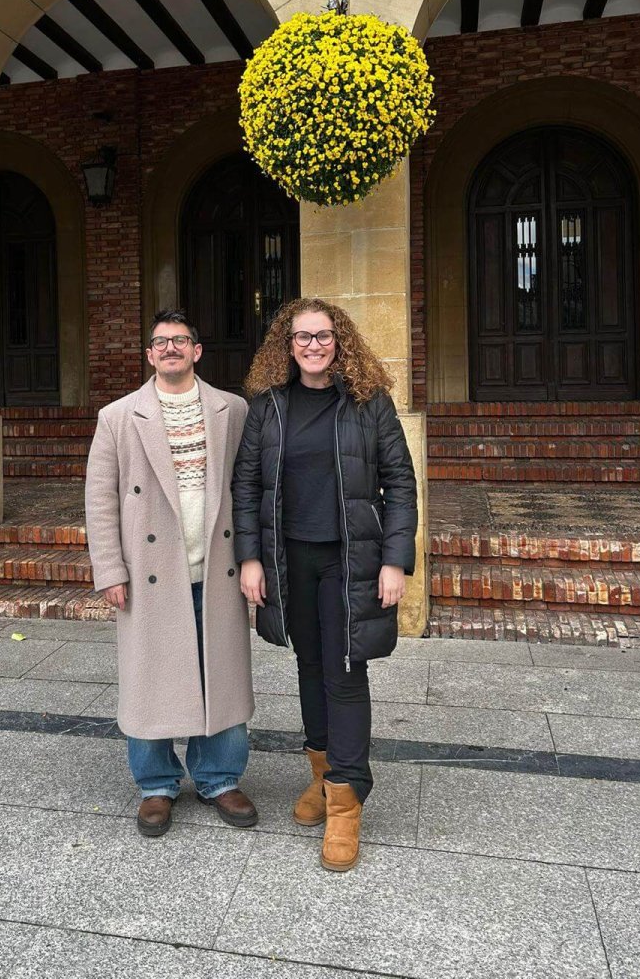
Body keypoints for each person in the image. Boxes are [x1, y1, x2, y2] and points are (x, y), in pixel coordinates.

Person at [232, 297, 417, 872]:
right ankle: (321, 774)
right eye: (302, 337)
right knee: (309, 665)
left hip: (350, 559)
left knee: (344, 670)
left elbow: (400, 483)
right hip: (290, 559)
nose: (314, 345)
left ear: (341, 342)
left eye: (324, 335)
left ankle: (345, 800)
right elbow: (246, 488)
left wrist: (395, 561)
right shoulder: (268, 407)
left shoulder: (368, 402)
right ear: (286, 346)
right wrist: (250, 559)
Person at [85, 309, 257, 838]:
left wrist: (254, 557)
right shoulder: (118, 416)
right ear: (149, 355)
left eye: (180, 340)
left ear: (197, 351)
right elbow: (100, 498)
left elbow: (249, 487)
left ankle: (219, 776)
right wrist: (110, 569)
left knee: (221, 672)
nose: (170, 349)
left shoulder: (233, 409)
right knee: (149, 676)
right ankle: (156, 784)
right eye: (160, 342)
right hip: (150, 572)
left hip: (217, 567)